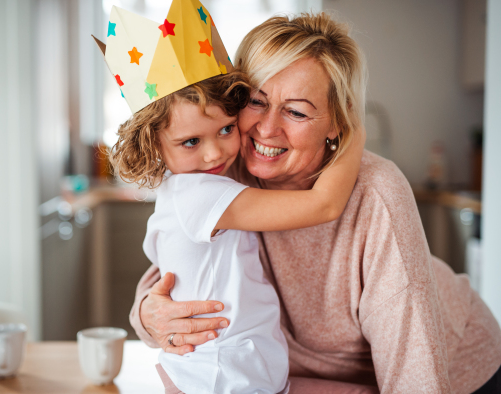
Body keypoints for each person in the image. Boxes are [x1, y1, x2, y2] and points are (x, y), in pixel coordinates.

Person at [130, 12, 501, 394]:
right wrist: (148, 314)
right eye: (257, 101)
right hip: (290, 380)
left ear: (337, 123)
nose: (267, 129)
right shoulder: (223, 167)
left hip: (447, 368)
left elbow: (416, 372)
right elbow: (170, 275)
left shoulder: (375, 194)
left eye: (296, 111)